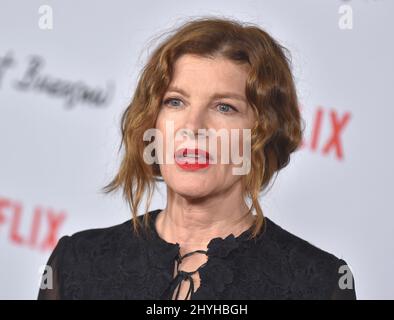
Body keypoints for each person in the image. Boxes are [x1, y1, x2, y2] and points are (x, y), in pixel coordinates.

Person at [37, 17, 356, 300]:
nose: (192, 127)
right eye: (175, 102)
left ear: (262, 133)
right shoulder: (76, 263)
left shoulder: (321, 283)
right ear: (152, 121)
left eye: (224, 107)